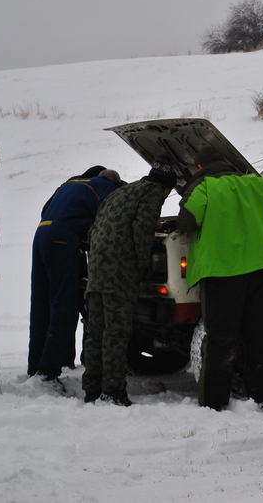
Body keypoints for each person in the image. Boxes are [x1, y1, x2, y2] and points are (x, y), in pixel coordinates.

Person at [175, 146, 263, 411]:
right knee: (260, 336)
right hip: (262, 268)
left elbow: (187, 220)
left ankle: (214, 405)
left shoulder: (204, 187)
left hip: (222, 272)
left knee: (221, 340)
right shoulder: (256, 183)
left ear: (199, 168)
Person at [81, 154, 177, 406]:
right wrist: (140, 266)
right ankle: (113, 392)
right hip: (118, 272)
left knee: (96, 332)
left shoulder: (123, 191)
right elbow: (143, 230)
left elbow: (95, 228)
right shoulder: (153, 193)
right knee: (116, 332)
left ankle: (92, 389)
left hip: (97, 268)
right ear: (167, 187)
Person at [27, 167, 122, 387]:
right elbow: (111, 221)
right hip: (62, 240)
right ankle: (49, 372)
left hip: (41, 234)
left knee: (41, 305)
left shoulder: (72, 183)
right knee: (64, 305)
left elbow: (45, 210)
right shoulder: (105, 188)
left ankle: (35, 367)